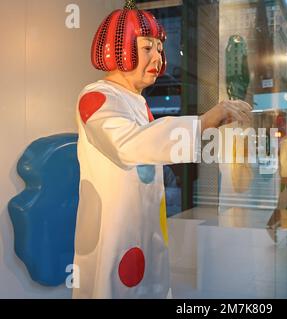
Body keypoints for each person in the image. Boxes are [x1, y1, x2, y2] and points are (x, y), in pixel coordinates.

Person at [73, 0, 252, 299]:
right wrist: (202, 123)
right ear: (120, 48)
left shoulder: (138, 102)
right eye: (147, 48)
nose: (158, 57)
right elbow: (126, 144)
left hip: (144, 235)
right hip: (114, 238)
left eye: (159, 48)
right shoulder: (96, 97)